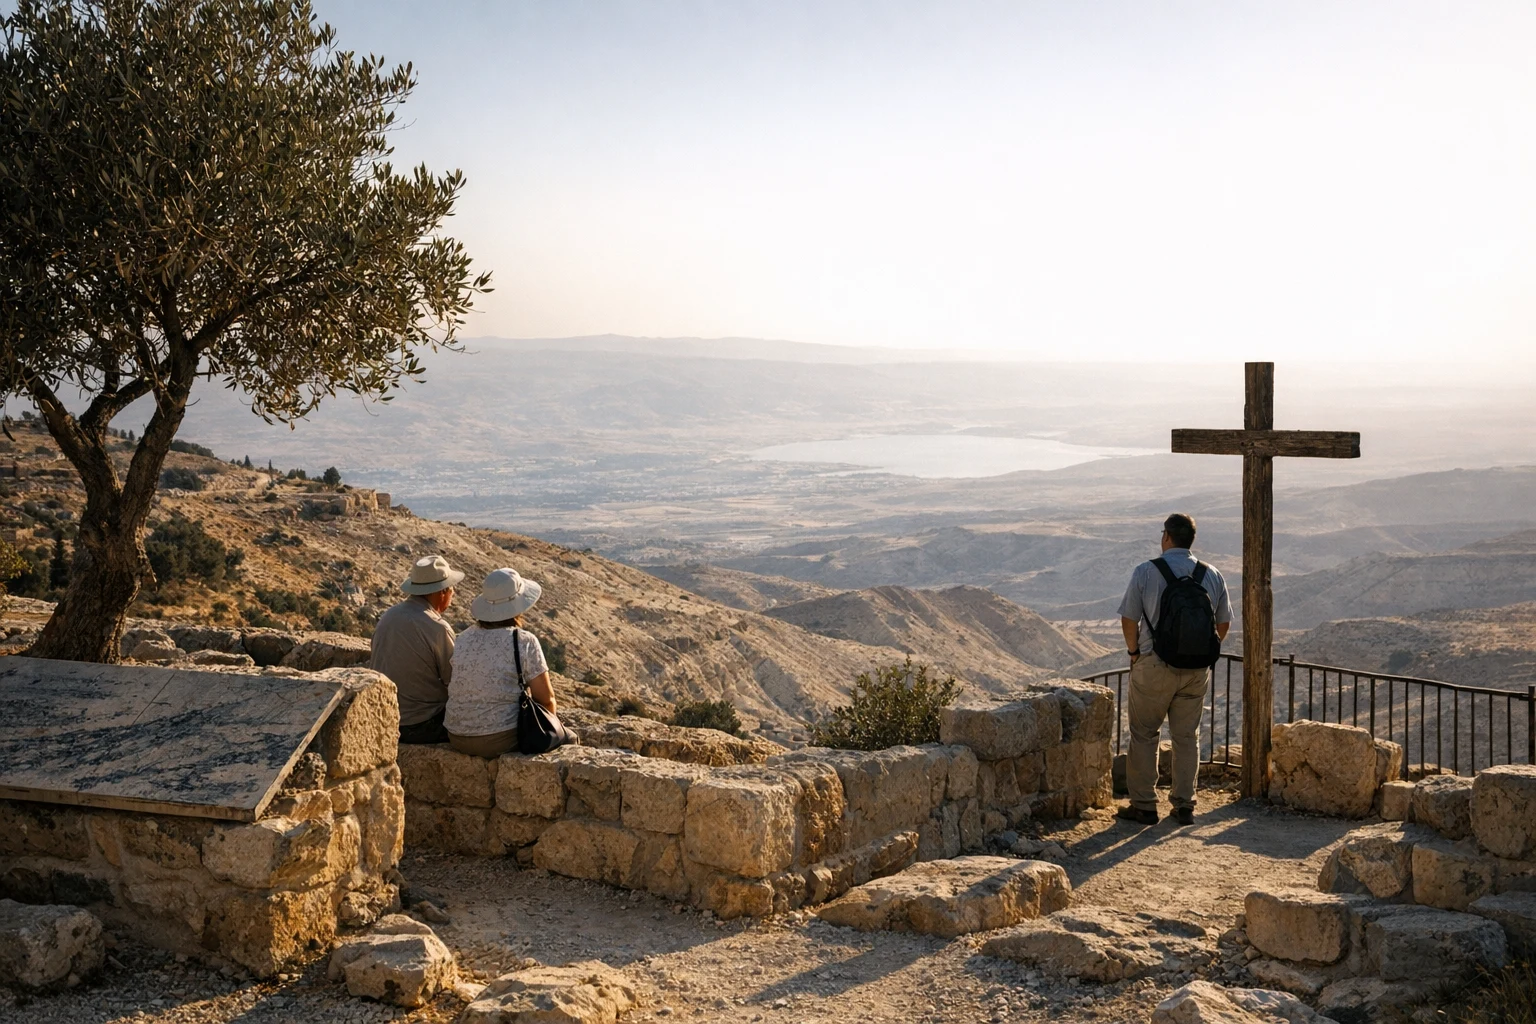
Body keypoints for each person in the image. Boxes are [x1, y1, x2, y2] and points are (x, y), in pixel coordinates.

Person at [1116, 513, 1232, 827]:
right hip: (1196, 670)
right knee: (1186, 737)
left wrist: (1135, 653)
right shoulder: (1212, 575)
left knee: (1143, 734)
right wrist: (1201, 651)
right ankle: (1184, 806)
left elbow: (1129, 618)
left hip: (1153, 665)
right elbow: (1223, 623)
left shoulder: (1145, 572)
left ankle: (1144, 806)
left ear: (1166, 537)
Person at [445, 567, 574, 757]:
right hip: (499, 738)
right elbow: (546, 699)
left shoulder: (463, 638)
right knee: (569, 738)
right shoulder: (523, 640)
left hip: (456, 735)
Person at [371, 555, 462, 744]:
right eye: (452, 588)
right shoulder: (437, 627)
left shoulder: (388, 616)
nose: (453, 594)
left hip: (383, 719)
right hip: (420, 724)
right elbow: (455, 682)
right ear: (442, 592)